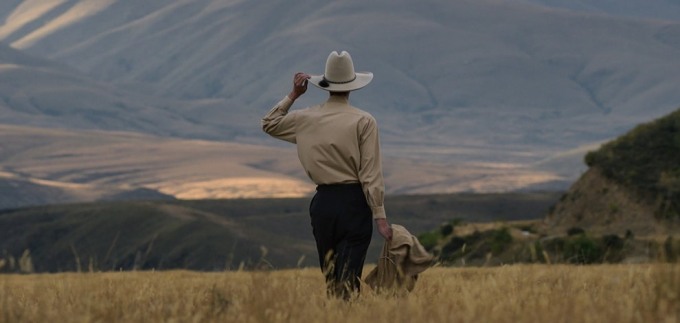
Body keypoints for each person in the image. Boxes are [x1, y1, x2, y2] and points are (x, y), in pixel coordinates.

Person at [262, 51, 393, 299]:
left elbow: (269, 123)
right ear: (352, 86)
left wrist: (293, 95)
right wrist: (380, 217)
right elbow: (370, 173)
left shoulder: (305, 118)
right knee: (348, 277)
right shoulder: (364, 121)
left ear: (326, 85)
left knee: (332, 277)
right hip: (355, 204)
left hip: (323, 204)